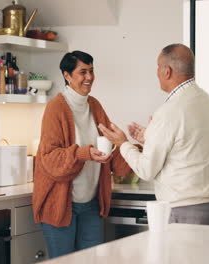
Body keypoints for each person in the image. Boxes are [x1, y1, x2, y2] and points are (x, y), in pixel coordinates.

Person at [99, 43, 209, 225]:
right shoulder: (207, 101)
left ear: (167, 71)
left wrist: (123, 144)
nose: (157, 73)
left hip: (185, 210)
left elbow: (146, 170)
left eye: (158, 67)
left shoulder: (169, 111)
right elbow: (188, 142)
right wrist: (150, 136)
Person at [32, 50, 132, 258]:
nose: (89, 78)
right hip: (59, 204)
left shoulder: (94, 106)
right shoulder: (55, 108)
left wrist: (127, 145)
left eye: (92, 71)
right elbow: (49, 159)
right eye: (83, 72)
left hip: (91, 203)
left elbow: (110, 146)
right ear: (67, 75)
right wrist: (83, 153)